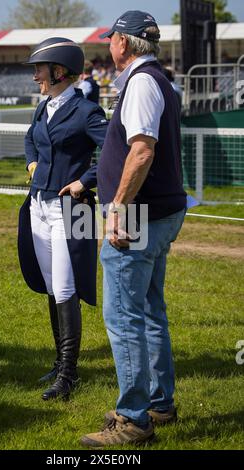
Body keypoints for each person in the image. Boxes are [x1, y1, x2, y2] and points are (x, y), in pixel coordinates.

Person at [81, 11, 187, 447]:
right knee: (148, 312)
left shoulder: (142, 82)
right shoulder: (157, 79)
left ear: (123, 43)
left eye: (112, 40)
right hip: (159, 211)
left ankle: (134, 419)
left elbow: (141, 151)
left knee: (123, 317)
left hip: (138, 215)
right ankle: (159, 403)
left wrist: (118, 209)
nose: (109, 46)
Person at [18, 37, 108, 401]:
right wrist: (32, 163)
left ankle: (69, 374)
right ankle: (60, 361)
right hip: (38, 204)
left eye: (39, 69)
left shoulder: (87, 112)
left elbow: (113, 153)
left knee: (67, 286)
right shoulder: (44, 108)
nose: (35, 75)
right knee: (53, 285)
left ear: (58, 71)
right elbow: (30, 140)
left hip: (68, 209)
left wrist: (83, 180)